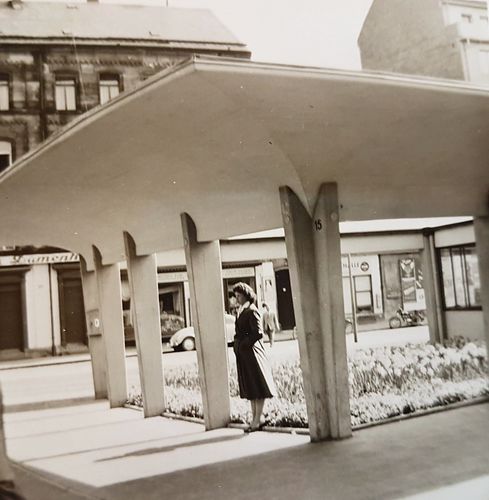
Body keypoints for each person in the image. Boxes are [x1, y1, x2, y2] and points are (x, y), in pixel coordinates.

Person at [232, 282, 277, 432]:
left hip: (253, 354)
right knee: (251, 388)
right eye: (236, 296)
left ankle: (257, 420)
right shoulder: (241, 310)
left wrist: (243, 344)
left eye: (239, 296)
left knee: (257, 386)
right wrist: (237, 344)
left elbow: (258, 333)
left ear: (247, 295)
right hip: (245, 354)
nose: (237, 299)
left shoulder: (252, 310)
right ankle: (256, 419)